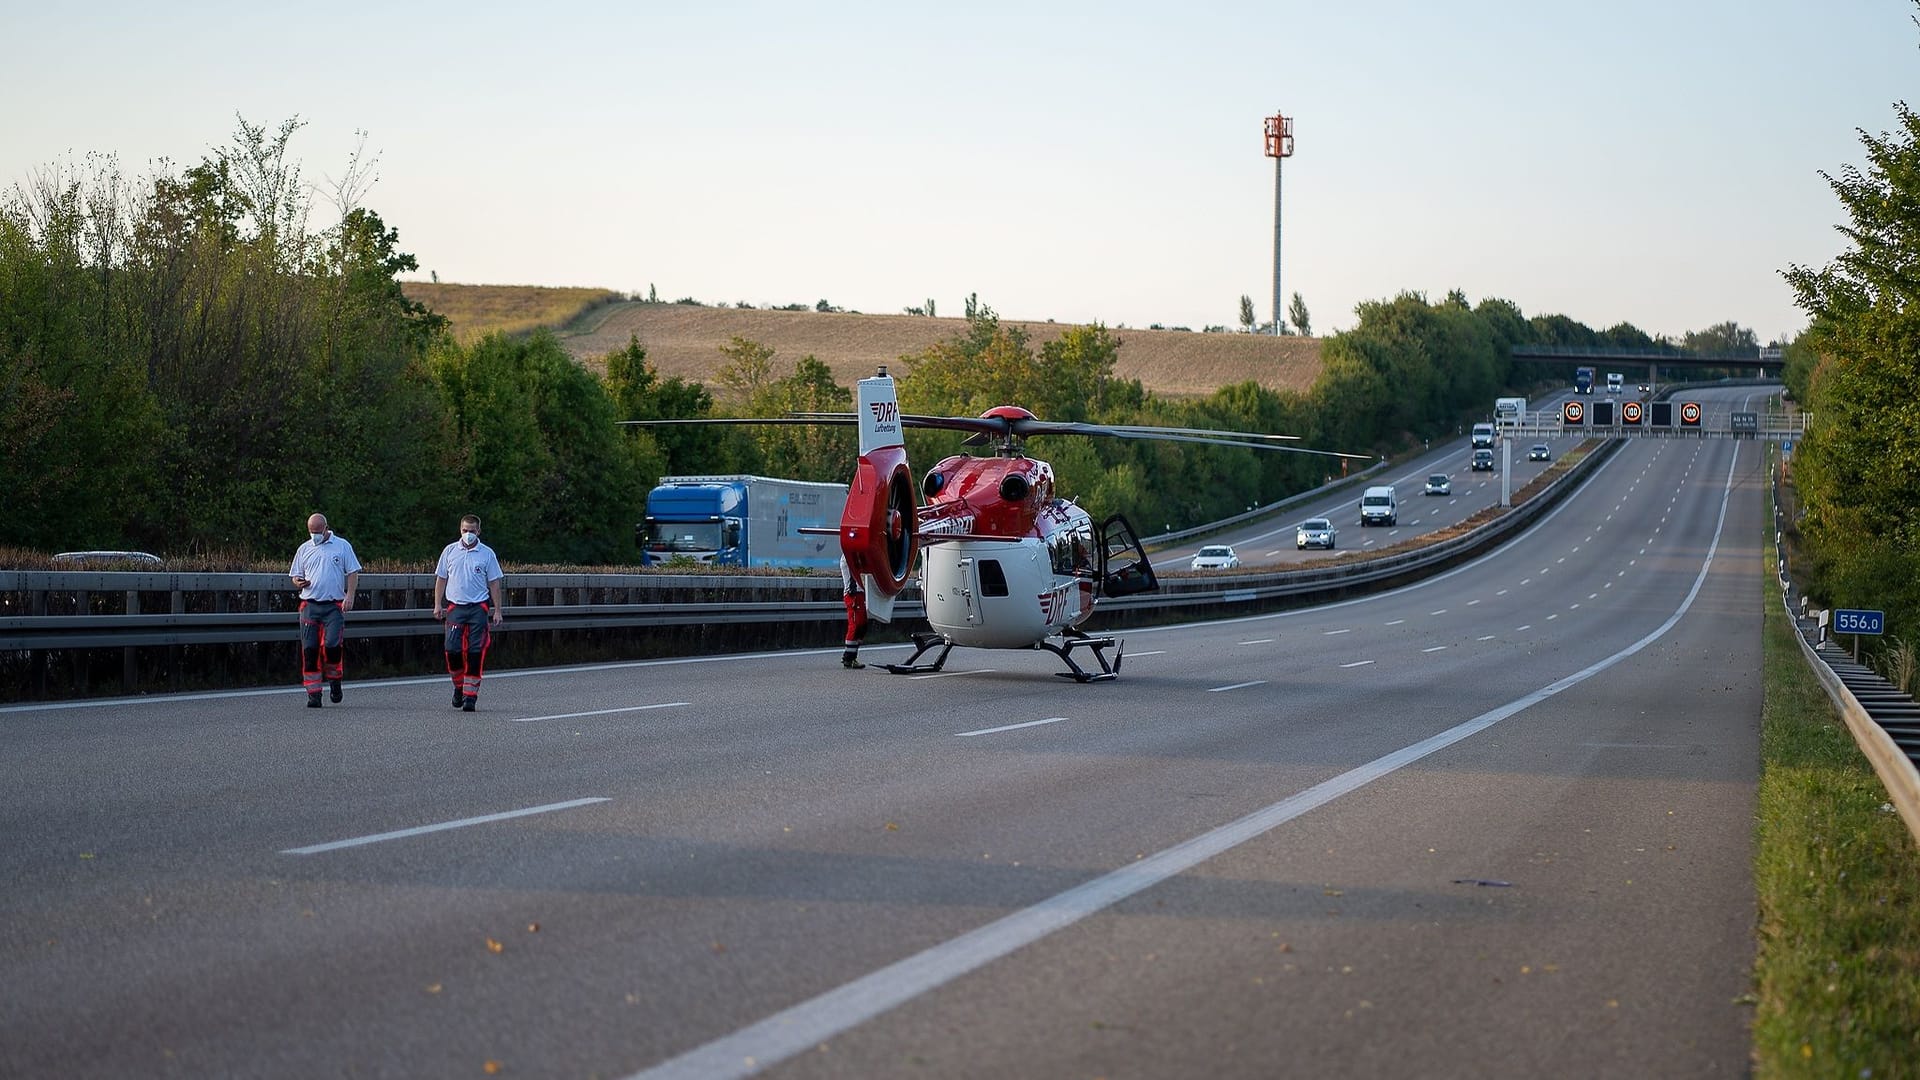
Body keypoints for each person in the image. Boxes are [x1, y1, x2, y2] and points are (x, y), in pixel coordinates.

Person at [434, 513, 505, 711]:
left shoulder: (487, 553)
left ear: (479, 531)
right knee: (452, 649)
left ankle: (471, 696)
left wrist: (497, 610)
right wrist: (438, 604)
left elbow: (494, 583)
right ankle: (459, 686)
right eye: (465, 531)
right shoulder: (449, 551)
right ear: (460, 530)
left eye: (472, 531)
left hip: (478, 608)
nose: (468, 535)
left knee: (475, 652)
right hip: (455, 607)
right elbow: (441, 579)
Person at [289, 513, 361, 708]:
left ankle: (335, 680)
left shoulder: (342, 546)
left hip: (333, 606)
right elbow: (295, 576)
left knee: (332, 646)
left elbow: (353, 571)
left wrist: (350, 595)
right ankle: (314, 694)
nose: (315, 535)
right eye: (311, 532)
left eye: (318, 531)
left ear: (326, 528)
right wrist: (299, 582)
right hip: (310, 605)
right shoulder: (304, 549)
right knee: (310, 650)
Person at [839, 553, 867, 669]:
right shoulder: (848, 556)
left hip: (860, 593)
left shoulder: (855, 555)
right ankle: (848, 658)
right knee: (855, 625)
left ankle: (853, 656)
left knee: (862, 625)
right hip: (853, 594)